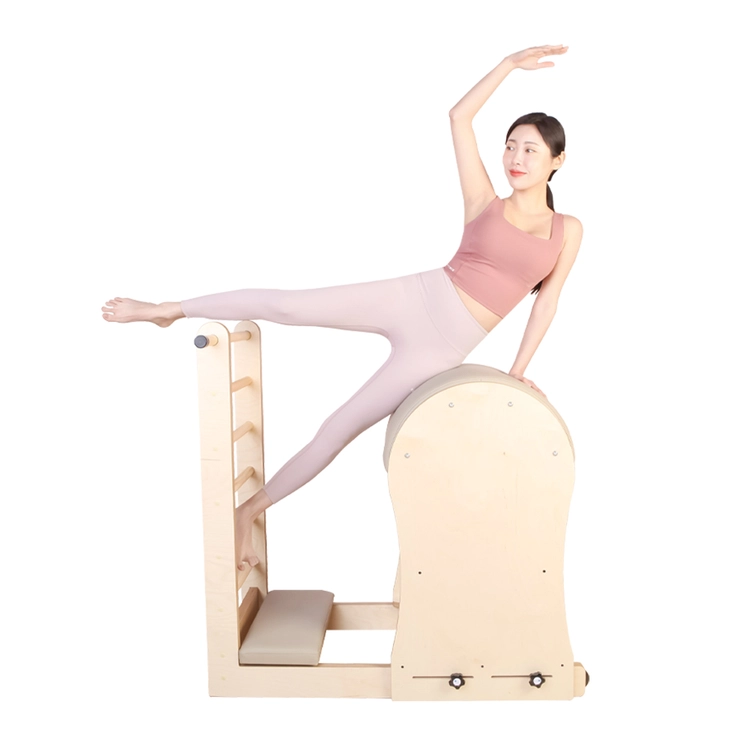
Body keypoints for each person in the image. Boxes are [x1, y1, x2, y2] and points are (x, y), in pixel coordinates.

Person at [102, 44, 583, 571]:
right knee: (288, 307)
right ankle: (168, 309)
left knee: (336, 430)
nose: (516, 158)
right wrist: (508, 66)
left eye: (530, 150)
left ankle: (248, 512)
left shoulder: (568, 231)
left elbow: (547, 302)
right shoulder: (483, 201)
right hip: (417, 296)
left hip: (440, 349)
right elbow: (458, 117)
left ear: (556, 161)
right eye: (510, 146)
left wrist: (517, 371)